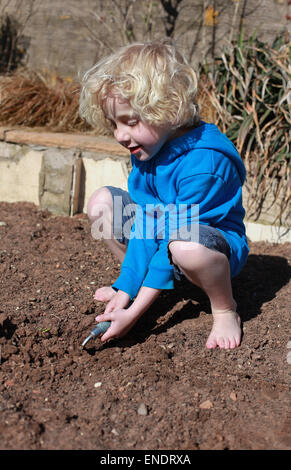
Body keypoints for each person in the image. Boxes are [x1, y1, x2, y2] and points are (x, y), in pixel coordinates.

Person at [79, 39, 249, 349]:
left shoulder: (205, 163)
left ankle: (225, 309)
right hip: (168, 232)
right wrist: (125, 292)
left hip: (208, 246)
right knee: (102, 204)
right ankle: (139, 280)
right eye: (113, 123)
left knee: (183, 246)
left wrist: (134, 314)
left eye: (130, 121)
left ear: (168, 110)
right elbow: (147, 221)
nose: (120, 135)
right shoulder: (148, 145)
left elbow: (176, 230)